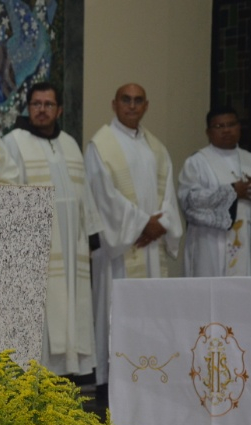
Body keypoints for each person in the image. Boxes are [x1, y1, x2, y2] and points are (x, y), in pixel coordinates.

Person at [85, 83, 183, 397]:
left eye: (138, 100)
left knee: (153, 316)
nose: (131, 106)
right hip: (120, 253)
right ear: (114, 104)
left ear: (146, 105)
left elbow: (168, 192)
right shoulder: (100, 145)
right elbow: (102, 197)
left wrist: (162, 223)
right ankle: (113, 389)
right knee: (116, 315)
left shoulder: (157, 147)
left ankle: (152, 381)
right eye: (125, 100)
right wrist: (143, 224)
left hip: (150, 249)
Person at [3, 82, 101, 377]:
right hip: (36, 246)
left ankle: (64, 377)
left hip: (71, 247)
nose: (41, 110)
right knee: (43, 311)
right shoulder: (13, 142)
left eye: (48, 105)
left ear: (59, 110)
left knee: (70, 306)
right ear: (28, 107)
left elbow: (84, 194)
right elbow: (7, 193)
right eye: (36, 104)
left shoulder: (70, 143)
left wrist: (92, 234)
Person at [179, 106, 251, 277]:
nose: (226, 130)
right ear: (208, 132)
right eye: (219, 126)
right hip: (212, 246)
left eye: (231, 124)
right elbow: (190, 202)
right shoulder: (197, 162)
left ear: (239, 127)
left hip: (248, 246)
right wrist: (232, 192)